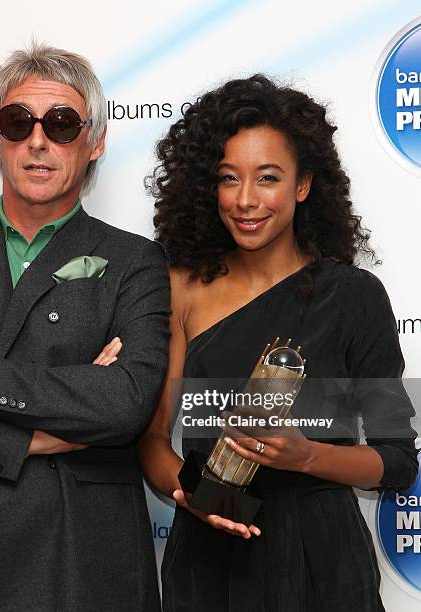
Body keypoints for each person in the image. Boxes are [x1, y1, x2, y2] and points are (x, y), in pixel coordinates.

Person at [0, 43, 169, 611]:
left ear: (95, 143)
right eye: (19, 123)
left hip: (82, 549)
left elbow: (124, 402)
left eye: (62, 124)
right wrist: (37, 438)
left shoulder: (135, 261)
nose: (38, 141)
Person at [138, 75, 419, 612]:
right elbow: (152, 439)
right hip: (210, 554)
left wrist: (308, 455)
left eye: (267, 178)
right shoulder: (181, 289)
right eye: (228, 178)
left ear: (303, 184)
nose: (245, 201)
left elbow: (396, 459)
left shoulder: (354, 296)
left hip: (323, 558)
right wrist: (203, 502)